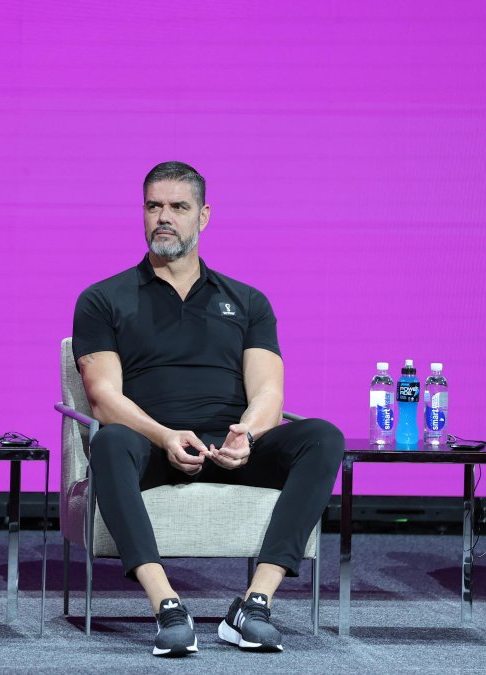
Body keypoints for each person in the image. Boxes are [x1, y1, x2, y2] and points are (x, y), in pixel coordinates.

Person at [71, 161, 344, 657]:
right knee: (108, 438)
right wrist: (165, 436)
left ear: (204, 216)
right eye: (154, 206)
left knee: (322, 435)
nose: (164, 217)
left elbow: (269, 394)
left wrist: (249, 436)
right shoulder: (102, 299)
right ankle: (167, 605)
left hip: (229, 446)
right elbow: (104, 397)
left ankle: (254, 603)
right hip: (150, 446)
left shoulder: (245, 301)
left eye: (178, 207)